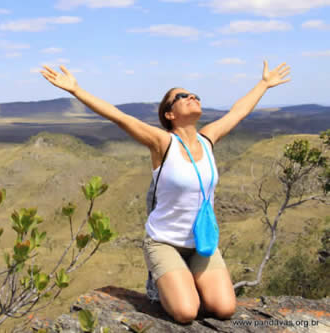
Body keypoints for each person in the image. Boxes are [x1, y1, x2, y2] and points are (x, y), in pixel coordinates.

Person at [40, 61, 290, 323]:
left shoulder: (207, 139)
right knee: (185, 313)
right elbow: (119, 117)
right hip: (164, 242)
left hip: (201, 243)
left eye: (194, 94)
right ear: (169, 114)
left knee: (225, 309)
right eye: (181, 96)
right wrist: (76, 91)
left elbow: (238, 112)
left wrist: (264, 84)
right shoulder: (163, 143)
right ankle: (162, 283)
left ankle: (187, 280)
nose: (191, 96)